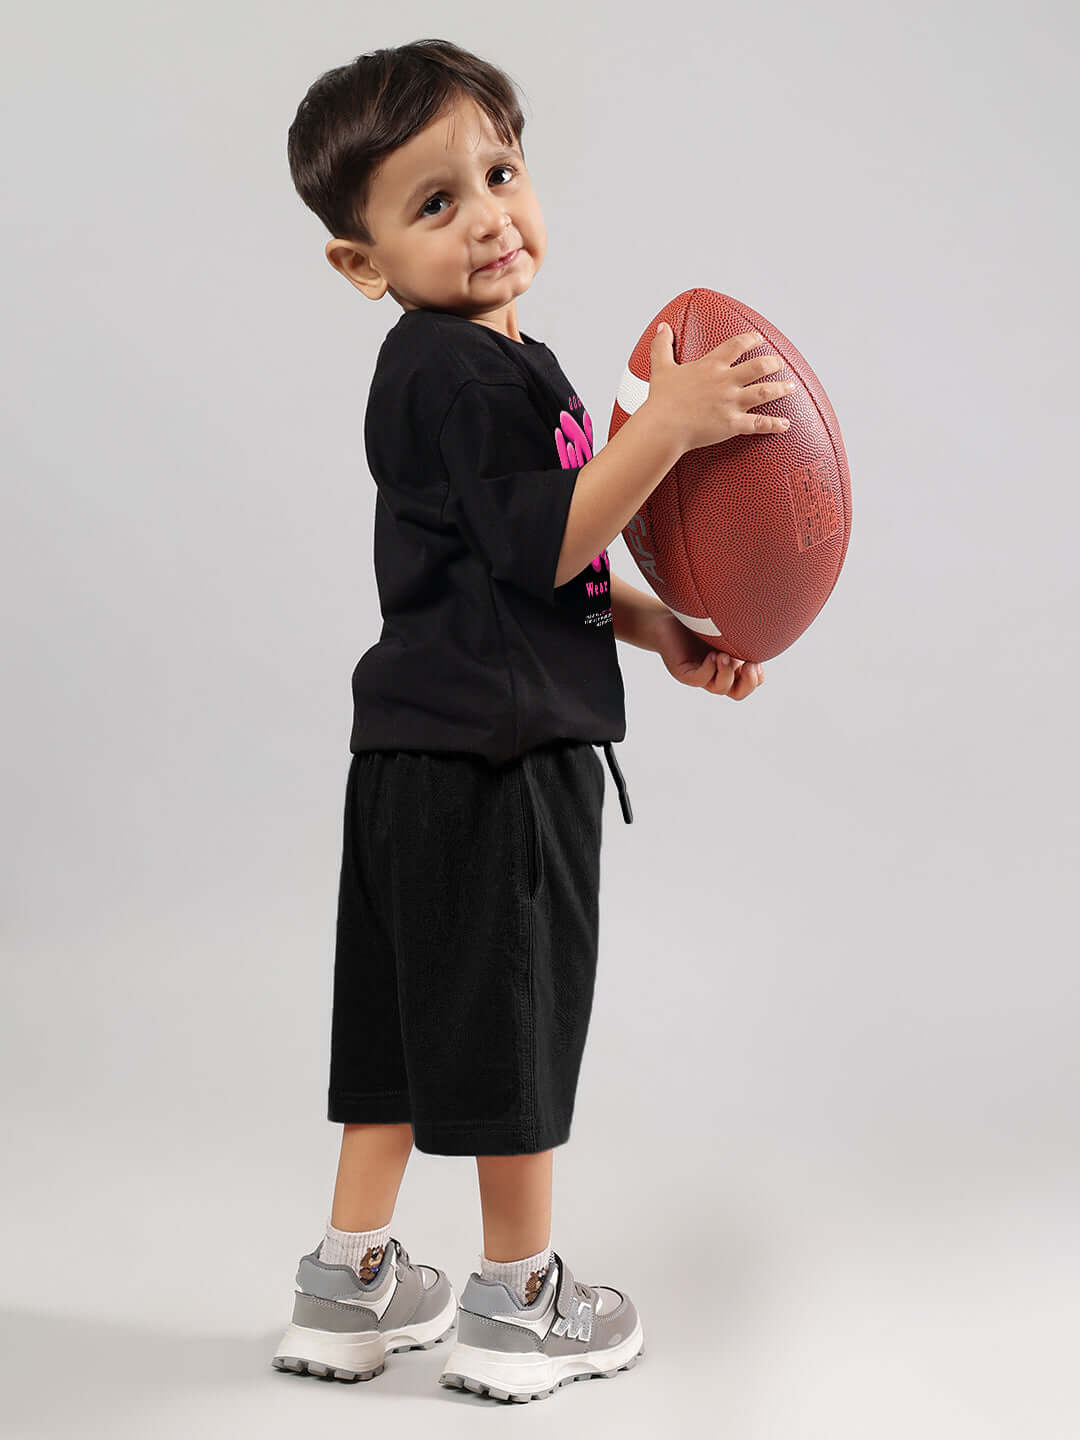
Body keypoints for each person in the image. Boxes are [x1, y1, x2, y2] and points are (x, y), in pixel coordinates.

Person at [274, 38, 781, 1405]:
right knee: (517, 1017)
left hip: (409, 753)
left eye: (501, 171)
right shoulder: (462, 372)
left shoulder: (475, 367)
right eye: (436, 203)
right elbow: (556, 533)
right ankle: (518, 1299)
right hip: (501, 764)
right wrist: (668, 425)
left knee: (390, 1021)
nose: (491, 213)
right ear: (360, 260)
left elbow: (528, 561)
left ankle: (351, 1275)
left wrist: (659, 627)